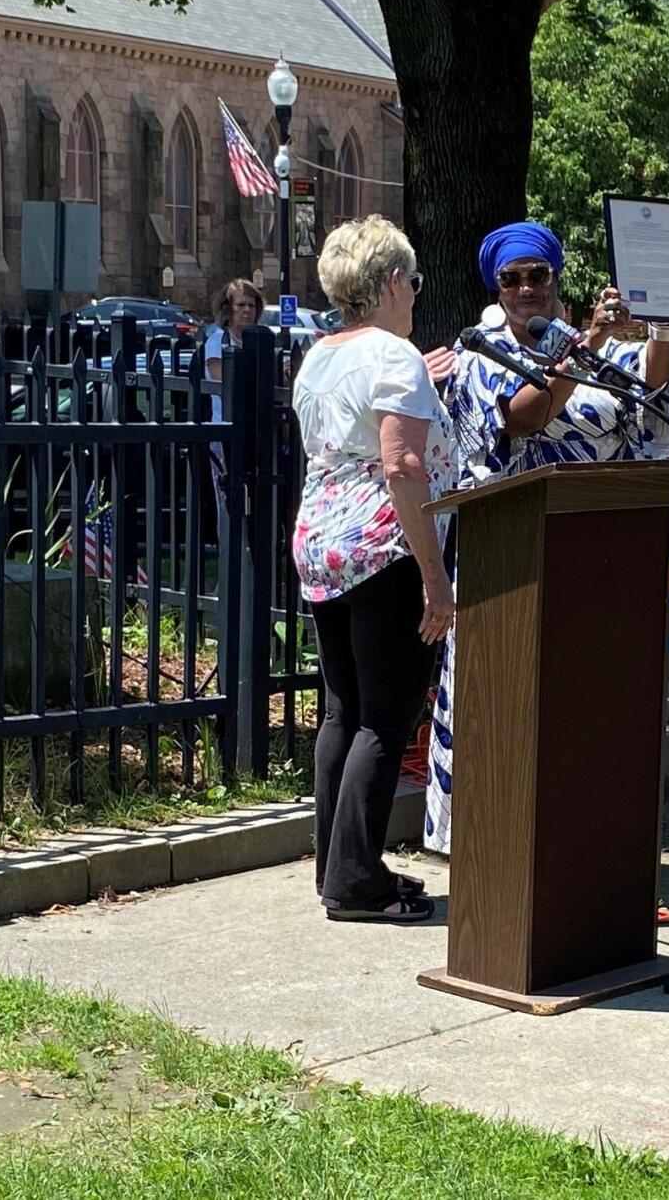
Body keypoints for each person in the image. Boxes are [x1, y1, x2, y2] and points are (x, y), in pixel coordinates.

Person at [425, 220, 669, 854]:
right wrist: (585, 343)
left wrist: (664, 326)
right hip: (505, 556)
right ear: (497, 287)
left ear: (555, 278)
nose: (526, 289)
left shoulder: (594, 345)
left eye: (537, 275)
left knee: (581, 703)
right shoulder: (479, 351)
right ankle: (486, 840)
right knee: (500, 703)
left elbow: (653, 392)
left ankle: (580, 838)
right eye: (512, 279)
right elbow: (525, 416)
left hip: (593, 554)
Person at [289, 216, 456, 923]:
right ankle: (356, 882)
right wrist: (436, 579)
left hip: (322, 542)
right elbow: (402, 465)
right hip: (383, 548)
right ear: (391, 281)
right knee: (386, 719)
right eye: (413, 281)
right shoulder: (396, 356)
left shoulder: (321, 353)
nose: (416, 293)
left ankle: (338, 863)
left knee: (344, 711)